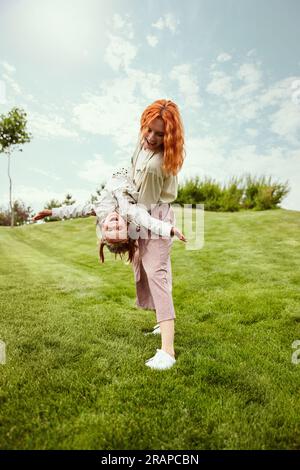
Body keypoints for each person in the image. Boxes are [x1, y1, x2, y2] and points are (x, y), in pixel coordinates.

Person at [33, 167, 186, 265]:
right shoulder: (131, 212)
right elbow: (148, 221)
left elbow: (75, 210)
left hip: (115, 175)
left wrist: (51, 212)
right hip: (134, 173)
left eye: (109, 228)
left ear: (102, 230)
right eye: (118, 227)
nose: (113, 223)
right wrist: (170, 229)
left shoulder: (100, 211)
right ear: (127, 227)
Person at [130, 99, 185, 371]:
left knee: (157, 276)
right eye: (148, 130)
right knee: (152, 273)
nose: (151, 138)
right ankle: (161, 325)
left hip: (153, 217)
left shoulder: (157, 166)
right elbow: (130, 175)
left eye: (160, 134)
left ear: (170, 136)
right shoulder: (142, 145)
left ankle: (168, 351)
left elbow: (143, 208)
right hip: (143, 212)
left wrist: (120, 213)